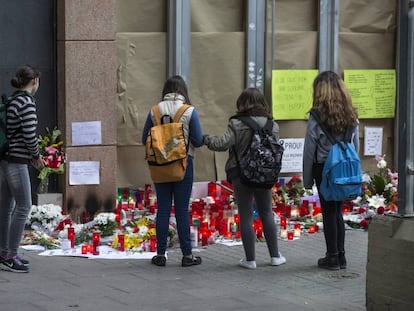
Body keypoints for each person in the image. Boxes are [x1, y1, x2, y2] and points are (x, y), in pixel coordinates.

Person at [204, 88, 286, 269]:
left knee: (246, 214)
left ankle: (250, 260)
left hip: (242, 174)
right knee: (266, 213)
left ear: (242, 104)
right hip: (265, 174)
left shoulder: (237, 123)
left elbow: (222, 144)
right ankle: (275, 256)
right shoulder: (273, 125)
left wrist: (206, 139)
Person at [142, 75, 204, 267]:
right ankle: (187, 255)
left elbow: (144, 137)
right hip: (183, 164)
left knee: (163, 209)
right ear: (183, 91)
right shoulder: (189, 111)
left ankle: (161, 254)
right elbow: (199, 140)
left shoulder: (154, 111)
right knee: (181, 210)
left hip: (160, 165)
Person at [303, 71, 359, 270]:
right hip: (343, 167)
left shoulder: (317, 116)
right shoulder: (351, 114)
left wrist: (307, 179)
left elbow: (310, 149)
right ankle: (341, 256)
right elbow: (355, 145)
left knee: (328, 211)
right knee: (338, 211)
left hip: (324, 168)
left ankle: (332, 256)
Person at [0, 65, 46, 273]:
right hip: (18, 161)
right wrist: (36, 156)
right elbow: (29, 134)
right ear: (35, 81)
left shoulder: (12, 100)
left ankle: (4, 252)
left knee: (7, 208)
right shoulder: (27, 102)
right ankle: (10, 255)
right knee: (24, 207)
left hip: (5, 159)